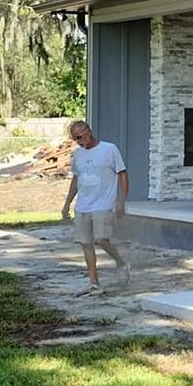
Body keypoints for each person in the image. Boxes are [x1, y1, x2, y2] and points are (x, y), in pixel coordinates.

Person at [60, 119, 129, 295]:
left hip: (103, 203)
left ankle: (121, 262)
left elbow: (122, 174)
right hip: (82, 205)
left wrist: (121, 200)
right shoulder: (77, 155)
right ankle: (94, 282)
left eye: (80, 137)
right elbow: (76, 179)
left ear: (89, 132)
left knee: (101, 239)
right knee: (86, 243)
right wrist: (67, 203)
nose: (78, 141)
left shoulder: (109, 149)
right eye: (75, 139)